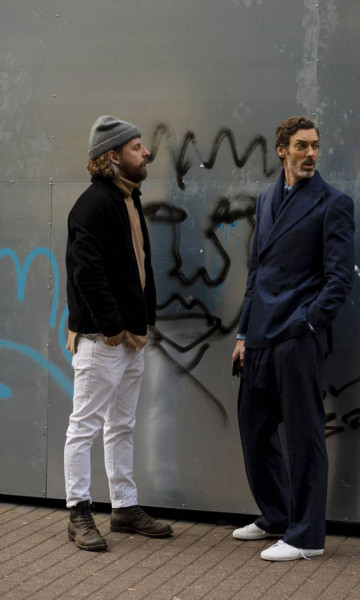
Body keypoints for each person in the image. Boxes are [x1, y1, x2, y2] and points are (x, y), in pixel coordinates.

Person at [231, 116, 354, 561]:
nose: (311, 154)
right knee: (254, 427)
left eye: (315, 145)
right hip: (261, 335)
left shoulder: (333, 203)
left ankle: (307, 538)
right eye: (302, 146)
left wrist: (308, 322)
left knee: (304, 437)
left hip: (298, 336)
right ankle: (278, 516)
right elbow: (257, 272)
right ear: (281, 149)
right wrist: (243, 332)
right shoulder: (266, 200)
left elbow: (339, 280)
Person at [64, 115, 172, 551]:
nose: (146, 153)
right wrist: (111, 326)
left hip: (129, 338)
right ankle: (78, 513)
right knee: (84, 427)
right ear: (112, 156)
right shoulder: (92, 205)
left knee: (122, 425)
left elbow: (137, 266)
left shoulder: (128, 197)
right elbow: (86, 271)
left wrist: (140, 322)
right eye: (136, 147)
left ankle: (124, 508)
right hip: (102, 339)